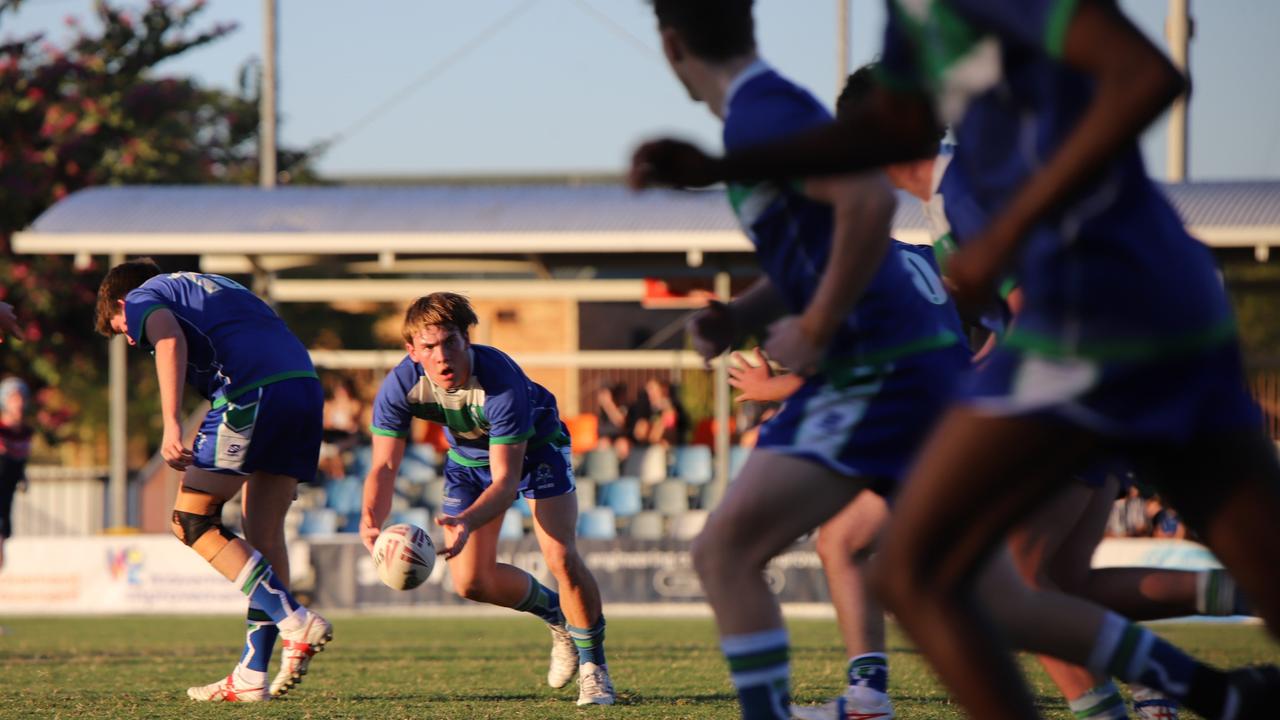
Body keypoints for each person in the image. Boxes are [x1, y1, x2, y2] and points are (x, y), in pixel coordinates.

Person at [633, 2, 1280, 718]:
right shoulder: (915, 68)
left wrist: (992, 249)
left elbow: (1146, 78)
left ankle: (1170, 697)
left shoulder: (964, 184)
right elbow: (877, 170)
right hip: (1158, 311)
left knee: (898, 569)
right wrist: (718, 179)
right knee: (995, 587)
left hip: (1089, 328)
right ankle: (1219, 697)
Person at [639, 4, 971, 719]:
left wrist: (815, 329)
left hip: (879, 370)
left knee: (724, 553)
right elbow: (816, 256)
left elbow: (867, 209)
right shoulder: (766, 110)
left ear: (672, 45)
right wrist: (741, 317)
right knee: (999, 599)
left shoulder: (761, 112)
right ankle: (1213, 692)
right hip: (913, 369)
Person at [359, 292, 615, 707]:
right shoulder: (400, 385)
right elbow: (384, 467)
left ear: (467, 340)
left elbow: (506, 481)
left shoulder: (500, 382)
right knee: (471, 582)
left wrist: (466, 521)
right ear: (412, 351)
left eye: (451, 343)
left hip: (537, 451)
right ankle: (557, 617)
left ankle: (594, 669)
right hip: (465, 461)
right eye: (429, 347)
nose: (442, 357)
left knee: (560, 556)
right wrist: (370, 519)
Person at [95, 259, 331, 703]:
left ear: (124, 302)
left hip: (251, 393)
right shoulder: (219, 286)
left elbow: (166, 339)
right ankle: (252, 674)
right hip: (302, 387)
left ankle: (295, 621)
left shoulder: (147, 294)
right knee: (262, 534)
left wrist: (170, 425)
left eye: (120, 325)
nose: (129, 337)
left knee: (192, 520)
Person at [0, 377, 33, 571]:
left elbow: (19, 461)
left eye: (21, 398)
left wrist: (22, 475)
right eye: (13, 398)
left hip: (7, 493)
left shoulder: (26, 432)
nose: (19, 403)